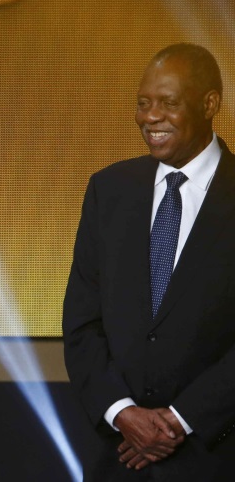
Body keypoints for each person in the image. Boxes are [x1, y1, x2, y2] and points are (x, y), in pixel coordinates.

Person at [63, 44, 235, 480]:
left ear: (209, 104)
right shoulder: (109, 190)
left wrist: (178, 420)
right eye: (143, 104)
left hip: (215, 454)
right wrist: (123, 414)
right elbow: (82, 323)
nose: (150, 117)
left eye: (168, 103)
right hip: (118, 456)